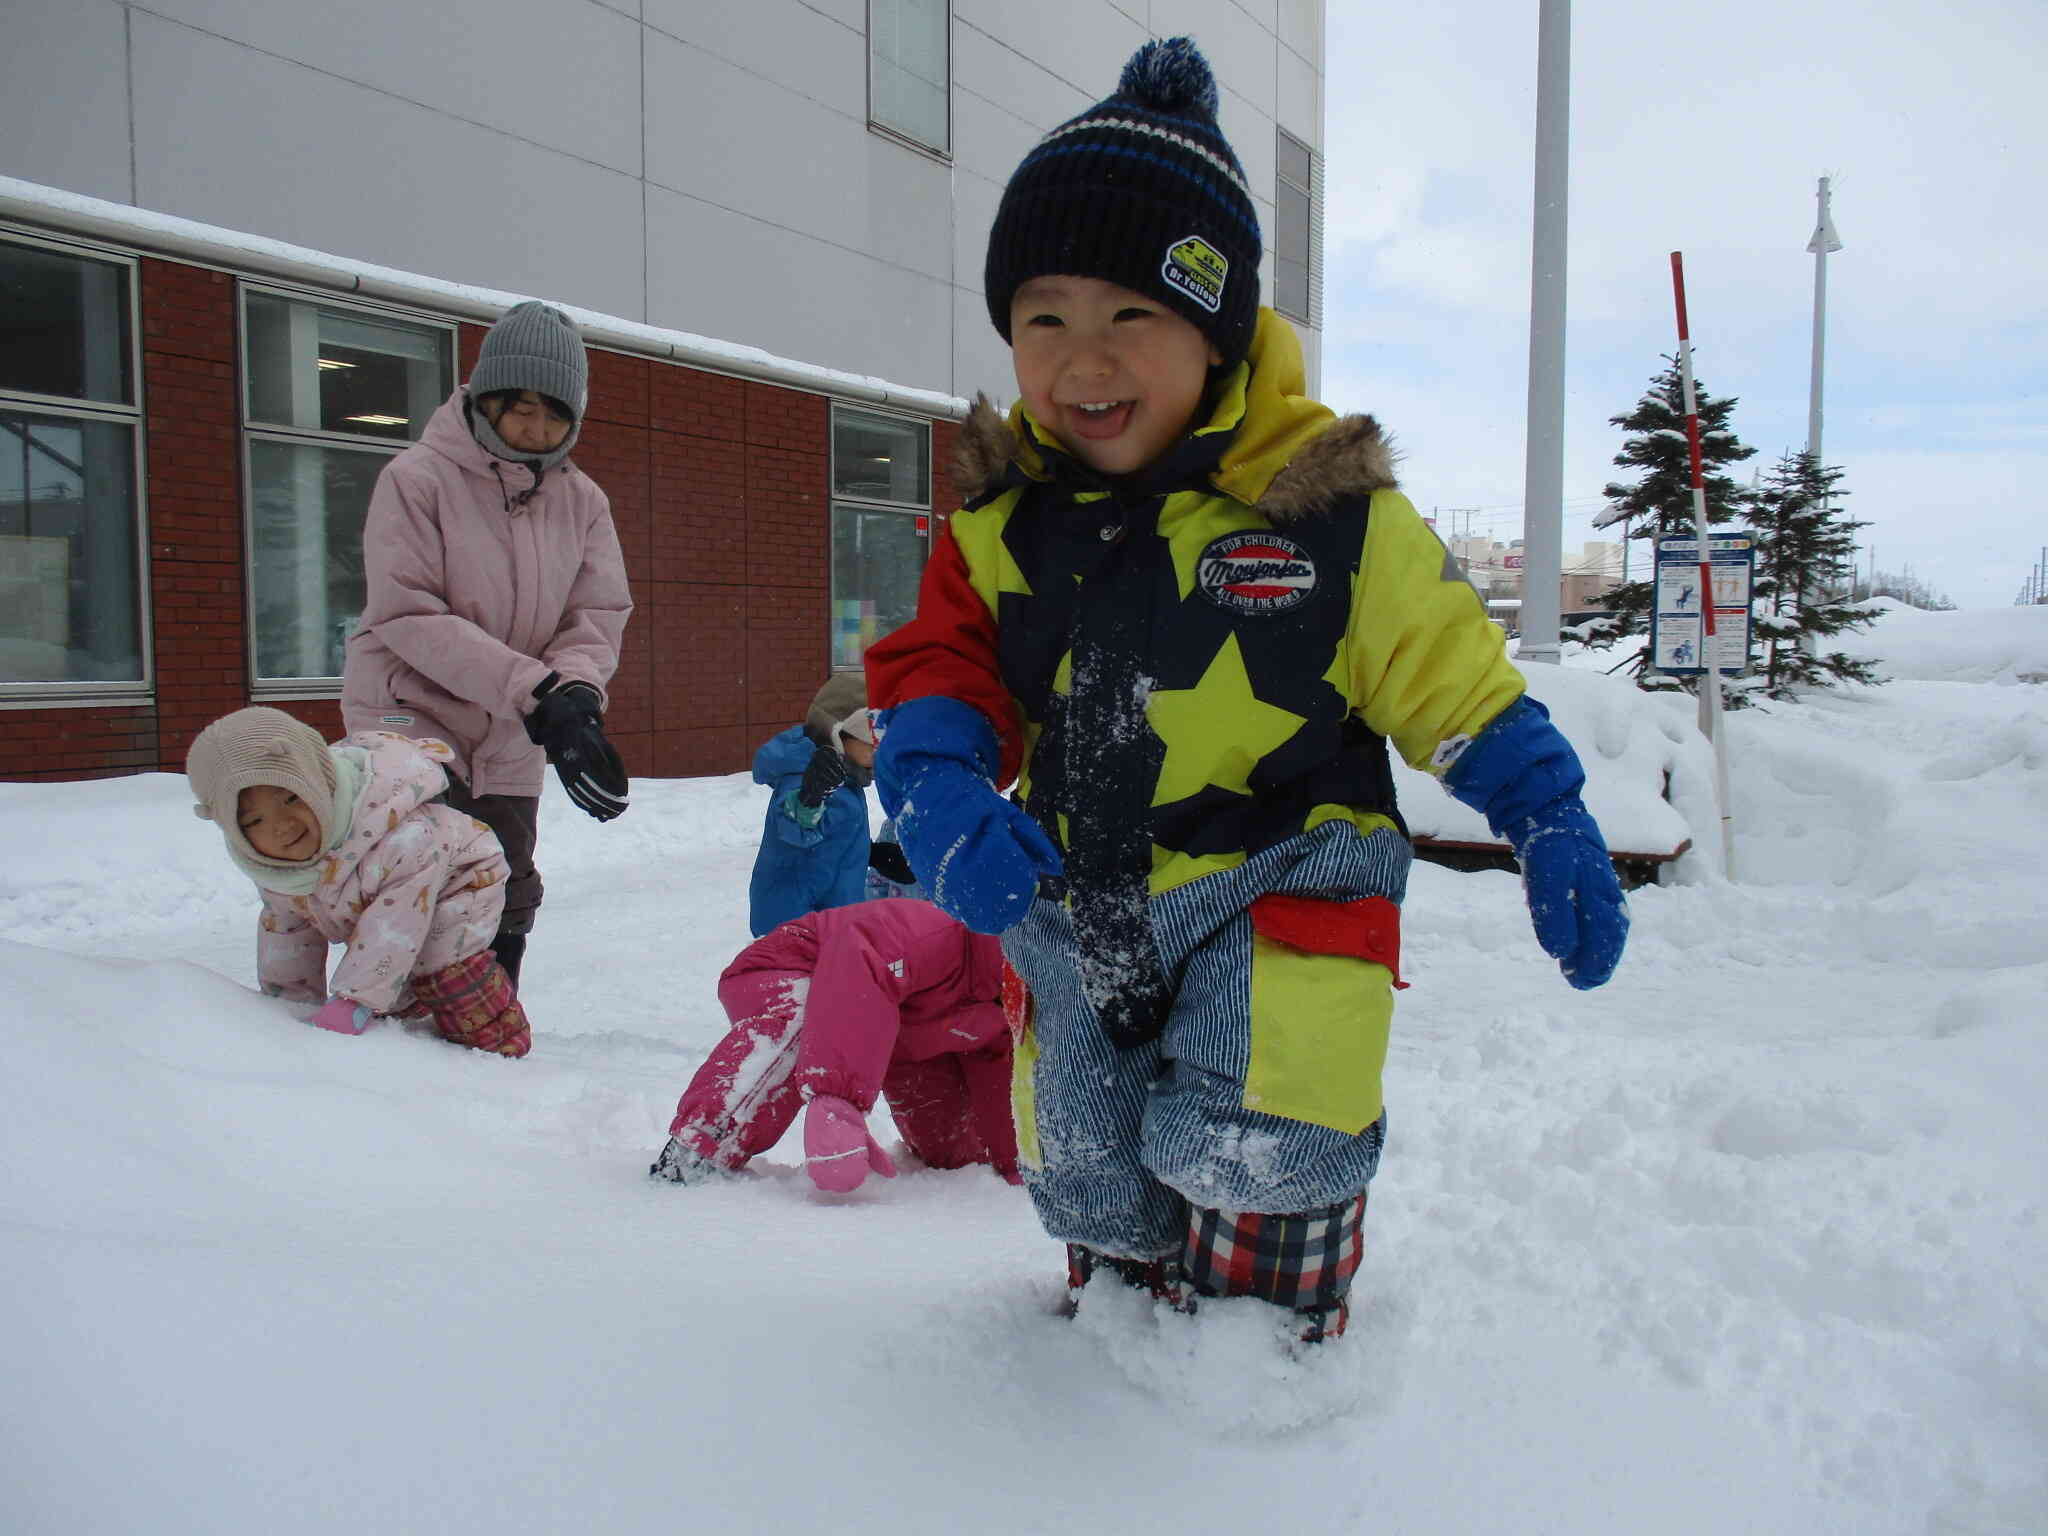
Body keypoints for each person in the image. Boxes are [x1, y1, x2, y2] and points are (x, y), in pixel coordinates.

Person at [865, 37, 1629, 1344]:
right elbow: (944, 666)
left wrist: (1544, 809)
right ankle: (1112, 1360)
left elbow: (1448, 673)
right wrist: (935, 785)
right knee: (1084, 1170)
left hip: (1282, 873)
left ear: (1215, 333)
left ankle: (1266, 1395)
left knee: (1260, 1143)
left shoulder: (1325, 516)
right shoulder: (1007, 522)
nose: (1081, 361)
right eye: (1043, 317)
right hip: (1080, 894)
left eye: (1129, 318)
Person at [341, 299, 632, 991]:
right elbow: (406, 613)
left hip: (509, 728)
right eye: (519, 406)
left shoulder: (582, 500)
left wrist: (576, 696)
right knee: (418, 878)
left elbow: (597, 612)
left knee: (504, 879)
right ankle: (374, 1031)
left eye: (554, 412)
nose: (536, 427)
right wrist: (536, 693)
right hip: (410, 712)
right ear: (485, 397)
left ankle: (482, 1035)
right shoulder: (416, 479)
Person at [186, 707, 531, 1056]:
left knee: (441, 968)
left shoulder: (400, 836)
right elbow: (287, 933)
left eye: (291, 798)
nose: (282, 825)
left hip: (460, 878)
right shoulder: (275, 868)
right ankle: (414, 1030)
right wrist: (288, 1010)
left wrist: (356, 999)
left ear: (319, 782)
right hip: (390, 902)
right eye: (256, 820)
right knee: (393, 981)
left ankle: (499, 1051)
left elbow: (393, 925)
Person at [650, 899, 1019, 1192]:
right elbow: (857, 968)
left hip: (887, 1030)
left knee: (960, 1151)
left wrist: (1017, 1161)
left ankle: (967, 1160)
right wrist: (837, 1103)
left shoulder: (1013, 1006)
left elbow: (998, 1073)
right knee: (808, 1013)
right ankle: (701, 1148)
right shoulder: (935, 933)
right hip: (790, 970)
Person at [747, 673, 876, 938]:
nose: (879, 750)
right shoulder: (805, 775)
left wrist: (874, 854)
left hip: (832, 920)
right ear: (839, 734)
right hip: (796, 924)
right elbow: (794, 829)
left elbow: (828, 841)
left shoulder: (846, 777)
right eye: (871, 741)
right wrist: (809, 798)